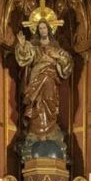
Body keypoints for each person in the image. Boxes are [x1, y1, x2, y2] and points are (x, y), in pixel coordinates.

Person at [15, 20, 73, 161]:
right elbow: (25, 58)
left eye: (44, 27)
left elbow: (68, 62)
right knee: (37, 106)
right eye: (40, 28)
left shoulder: (55, 47)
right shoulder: (34, 47)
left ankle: (51, 128)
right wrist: (22, 45)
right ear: (37, 30)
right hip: (36, 79)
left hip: (51, 81)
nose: (42, 30)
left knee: (50, 102)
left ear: (49, 29)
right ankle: (35, 131)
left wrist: (58, 57)